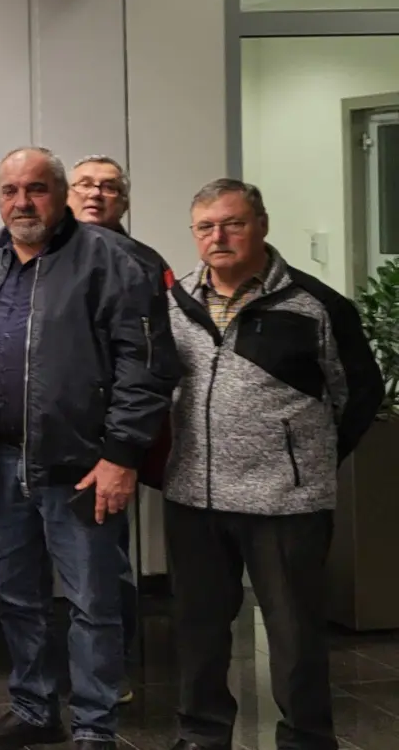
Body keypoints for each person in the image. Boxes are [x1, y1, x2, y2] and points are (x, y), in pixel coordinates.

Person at [0, 147, 179, 750]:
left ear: (60, 193)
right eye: (10, 191)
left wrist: (122, 455)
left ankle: (95, 727)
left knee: (92, 602)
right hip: (0, 463)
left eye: (36, 189)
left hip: (83, 466)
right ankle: (33, 709)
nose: (22, 202)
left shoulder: (111, 260)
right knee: (16, 596)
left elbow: (146, 366)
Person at [164, 179, 381, 750]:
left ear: (261, 225)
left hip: (286, 502)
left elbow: (359, 393)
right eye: (205, 227)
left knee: (294, 635)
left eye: (232, 223)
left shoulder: (316, 305)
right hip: (194, 497)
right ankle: (202, 734)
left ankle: (306, 739)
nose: (218, 237)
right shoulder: (173, 303)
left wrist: (308, 459)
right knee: (199, 629)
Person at [66, 155, 176, 706]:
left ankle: (111, 672)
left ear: (124, 201)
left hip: (110, 443)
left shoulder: (144, 264)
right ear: (66, 195)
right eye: (85, 184)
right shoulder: (41, 258)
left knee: (105, 562)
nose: (95, 194)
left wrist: (126, 444)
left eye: (108, 187)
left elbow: (155, 358)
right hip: (52, 439)